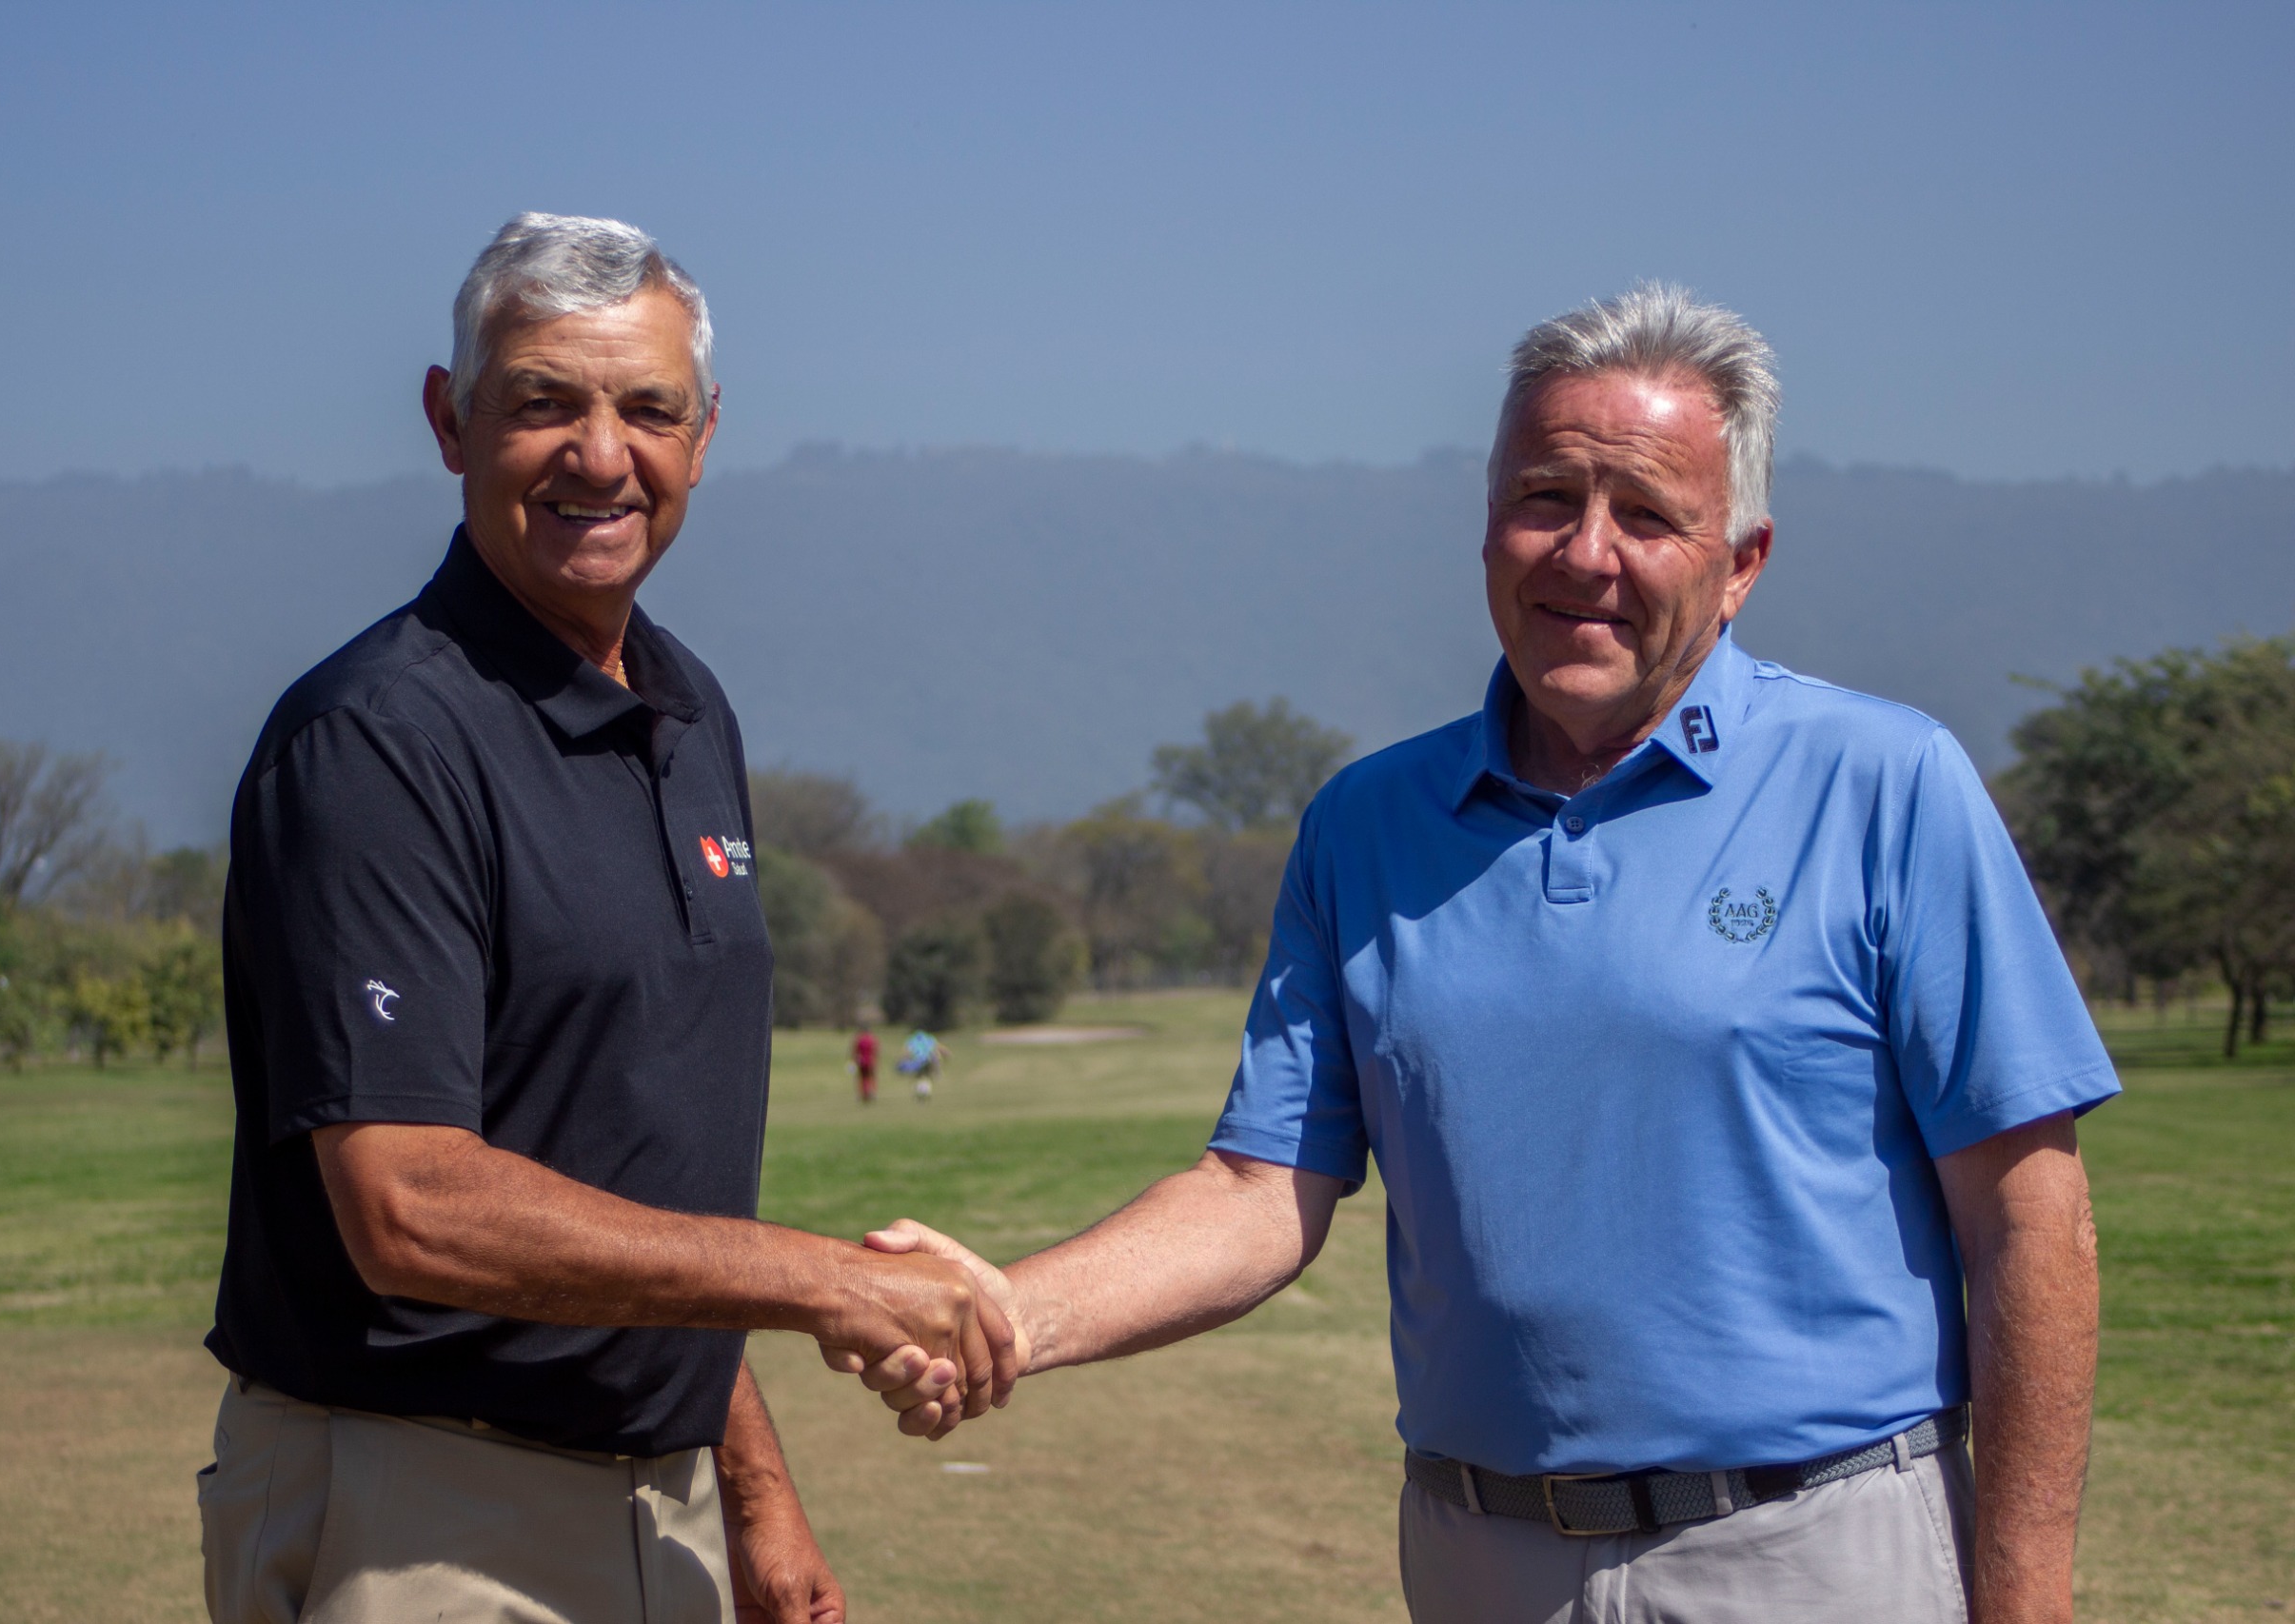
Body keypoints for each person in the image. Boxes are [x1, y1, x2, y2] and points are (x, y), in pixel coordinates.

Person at [871, 285, 2114, 1622]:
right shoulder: (1368, 824)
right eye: (1544, 498)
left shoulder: (1885, 784)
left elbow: (2028, 1217)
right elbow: (1256, 1190)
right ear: (1483, 528)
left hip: (1808, 1547)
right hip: (1479, 1555)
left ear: (1741, 558)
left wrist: (2024, 1598)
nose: (1585, 553)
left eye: (1645, 513)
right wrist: (1010, 1311)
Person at [201, 212, 1014, 1624]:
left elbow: (639, 1170)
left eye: (647, 407)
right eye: (542, 402)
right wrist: (823, 1283)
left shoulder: (688, 711)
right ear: (451, 421)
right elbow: (408, 1204)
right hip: (429, 1515)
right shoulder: (379, 742)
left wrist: (752, 1493)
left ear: (704, 436)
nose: (599, 453)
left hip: (664, 1501)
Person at [899, 1029, 949, 1102]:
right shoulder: (929, 1038)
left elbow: (907, 1052)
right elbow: (938, 1048)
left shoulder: (912, 1040)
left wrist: (902, 1061)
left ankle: (920, 1093)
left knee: (918, 1077)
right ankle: (926, 1092)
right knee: (927, 1076)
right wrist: (947, 1054)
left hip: (917, 1062)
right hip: (928, 1060)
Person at [851, 1023, 879, 1105]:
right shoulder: (872, 1039)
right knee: (871, 1077)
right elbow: (876, 1050)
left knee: (862, 1077)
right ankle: (872, 1092)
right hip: (870, 1060)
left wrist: (853, 1060)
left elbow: (855, 1050)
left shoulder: (859, 1039)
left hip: (861, 1061)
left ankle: (862, 1093)